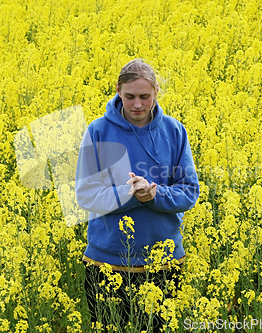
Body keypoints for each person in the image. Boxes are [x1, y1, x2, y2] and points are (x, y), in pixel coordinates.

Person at [75, 59, 199, 332]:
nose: (138, 105)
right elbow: (85, 195)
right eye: (130, 96)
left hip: (164, 261)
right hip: (107, 261)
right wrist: (130, 193)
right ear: (118, 91)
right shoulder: (98, 131)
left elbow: (189, 191)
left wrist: (155, 195)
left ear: (156, 92)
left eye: (145, 96)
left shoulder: (174, 131)